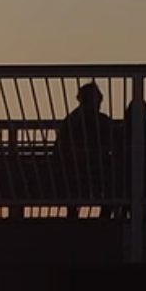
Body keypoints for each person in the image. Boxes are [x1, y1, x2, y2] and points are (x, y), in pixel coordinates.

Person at [56, 82, 119, 218]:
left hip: (70, 175)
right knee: (116, 177)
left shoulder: (69, 122)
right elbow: (116, 143)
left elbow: (59, 148)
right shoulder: (103, 122)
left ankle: (72, 215)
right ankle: (105, 218)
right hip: (99, 175)